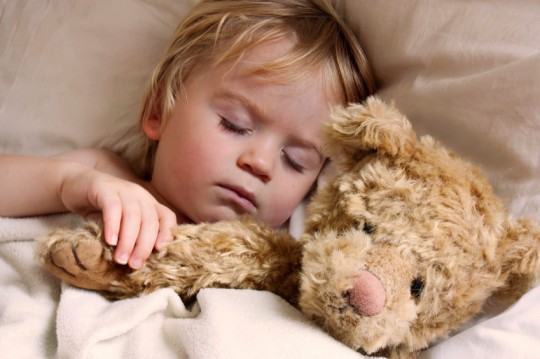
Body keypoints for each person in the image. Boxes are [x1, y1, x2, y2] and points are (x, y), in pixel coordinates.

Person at [0, 0, 375, 270]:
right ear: (158, 111)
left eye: (296, 161)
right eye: (234, 124)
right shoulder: (106, 175)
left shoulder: (276, 258)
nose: (260, 164)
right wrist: (71, 183)